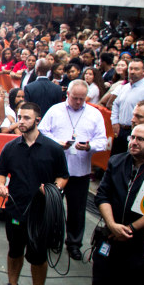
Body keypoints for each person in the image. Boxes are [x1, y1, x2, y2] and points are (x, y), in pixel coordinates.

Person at [0, 102, 69, 285]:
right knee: (14, 250)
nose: (21, 121)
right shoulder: (10, 147)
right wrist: (0, 185)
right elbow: (0, 172)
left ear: (37, 119)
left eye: (26, 117)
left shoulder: (53, 148)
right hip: (16, 209)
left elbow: (63, 176)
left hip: (42, 213)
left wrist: (54, 189)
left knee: (37, 256)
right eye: (19, 117)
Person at [76, 123, 144, 285]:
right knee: (99, 282)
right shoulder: (117, 161)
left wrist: (129, 229)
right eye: (133, 137)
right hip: (109, 235)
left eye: (140, 139)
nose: (134, 142)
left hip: (138, 240)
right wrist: (112, 225)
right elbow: (102, 195)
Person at [38, 80, 108, 260]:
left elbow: (102, 141)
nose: (78, 102)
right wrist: (56, 143)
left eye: (82, 99)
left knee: (77, 210)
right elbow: (42, 131)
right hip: (56, 168)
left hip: (80, 170)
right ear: (67, 94)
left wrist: (89, 146)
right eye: (75, 98)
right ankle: (50, 238)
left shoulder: (94, 113)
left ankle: (74, 243)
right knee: (52, 206)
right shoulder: (55, 110)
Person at [110, 60, 144, 155]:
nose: (132, 72)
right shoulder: (124, 87)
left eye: (136, 69)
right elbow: (115, 104)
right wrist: (114, 122)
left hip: (136, 132)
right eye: (130, 69)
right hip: (120, 130)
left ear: (143, 71)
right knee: (117, 158)